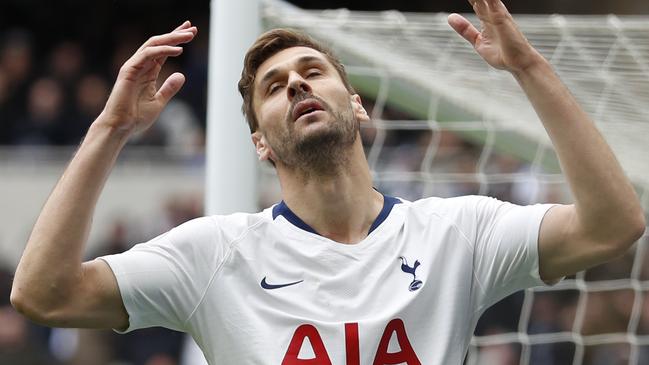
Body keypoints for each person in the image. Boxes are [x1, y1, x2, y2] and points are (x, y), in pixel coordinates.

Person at [10, 1, 646, 363]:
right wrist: (110, 130)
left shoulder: (459, 233)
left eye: (312, 71)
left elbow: (615, 223)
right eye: (273, 87)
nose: (296, 84)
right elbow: (43, 293)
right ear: (259, 142)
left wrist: (530, 68)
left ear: (358, 104)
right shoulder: (213, 254)